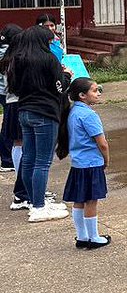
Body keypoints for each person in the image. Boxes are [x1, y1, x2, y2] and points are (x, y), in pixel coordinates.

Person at [8, 25, 71, 222]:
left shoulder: (18, 60)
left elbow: (14, 87)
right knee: (42, 162)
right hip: (44, 113)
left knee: (29, 158)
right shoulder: (48, 59)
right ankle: (38, 206)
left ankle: (34, 200)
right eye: (50, 40)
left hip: (25, 111)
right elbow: (59, 87)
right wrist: (67, 74)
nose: (52, 43)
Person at [57, 77, 111, 250]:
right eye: (94, 91)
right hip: (91, 163)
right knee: (91, 201)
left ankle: (82, 236)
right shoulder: (89, 115)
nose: (98, 94)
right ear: (82, 95)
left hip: (78, 163)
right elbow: (102, 143)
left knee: (79, 200)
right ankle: (93, 237)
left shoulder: (73, 112)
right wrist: (106, 160)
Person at [0, 24, 18, 173]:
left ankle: (6, 159)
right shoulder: (9, 52)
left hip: (4, 91)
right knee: (8, 126)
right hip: (6, 93)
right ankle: (7, 160)